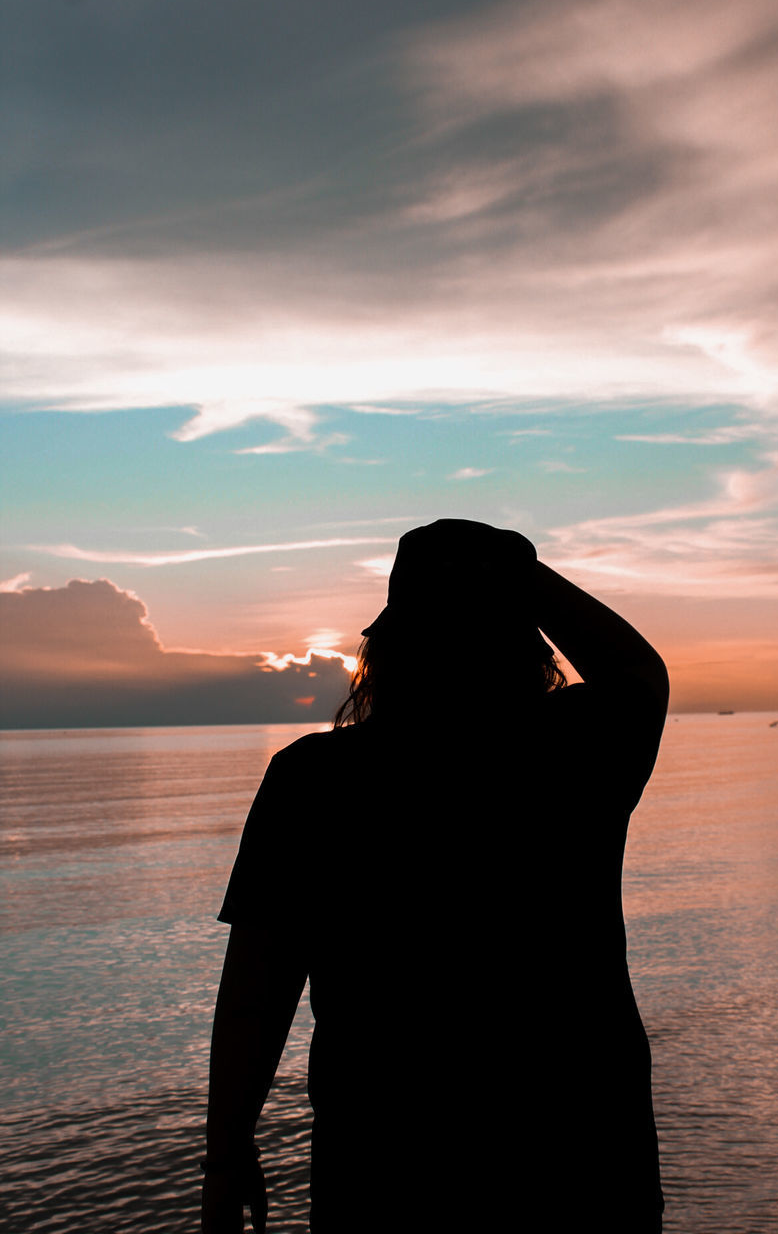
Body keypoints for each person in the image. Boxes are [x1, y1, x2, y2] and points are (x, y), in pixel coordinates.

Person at [201, 519, 668, 1232]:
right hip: (582, 1152)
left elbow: (255, 996)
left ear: (387, 646)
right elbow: (636, 671)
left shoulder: (314, 779)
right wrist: (521, 573)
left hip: (388, 1162)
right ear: (524, 640)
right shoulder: (575, 751)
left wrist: (228, 1149)